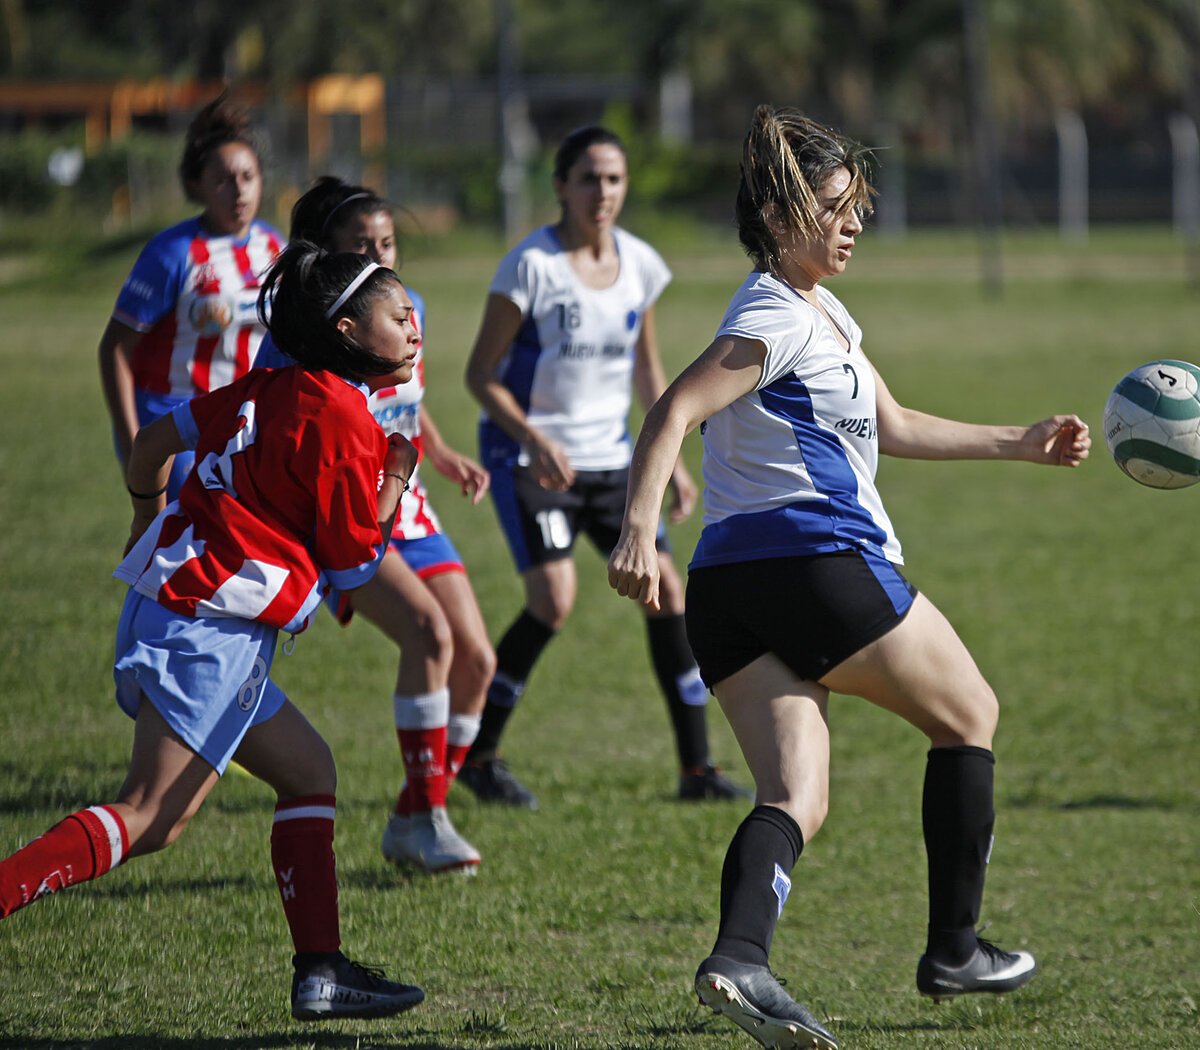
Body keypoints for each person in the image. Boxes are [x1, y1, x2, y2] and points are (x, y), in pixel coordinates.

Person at [607, 106, 1092, 1050]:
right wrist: (634, 529)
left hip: (732, 593)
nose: (853, 223)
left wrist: (1021, 442)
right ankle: (955, 948)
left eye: (856, 205)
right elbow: (670, 412)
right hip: (816, 563)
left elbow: (896, 422)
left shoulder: (823, 314)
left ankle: (740, 956)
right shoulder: (770, 315)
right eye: (834, 207)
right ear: (780, 219)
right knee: (970, 715)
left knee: (798, 795)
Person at [1, 242, 430, 1021]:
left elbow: (152, 444)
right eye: (400, 317)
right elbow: (356, 556)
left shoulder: (272, 384)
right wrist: (397, 469)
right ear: (346, 329)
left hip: (174, 607)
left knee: (307, 771)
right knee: (146, 814)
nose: (414, 330)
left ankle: (322, 971)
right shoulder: (343, 418)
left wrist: (145, 515)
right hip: (209, 631)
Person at [462, 125, 747, 809]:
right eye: (588, 178)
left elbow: (647, 369)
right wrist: (534, 437)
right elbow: (479, 375)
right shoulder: (530, 267)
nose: (603, 192)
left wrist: (671, 460)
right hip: (532, 460)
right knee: (553, 601)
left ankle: (697, 770)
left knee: (668, 593)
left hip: (612, 458)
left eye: (614, 179)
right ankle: (480, 756)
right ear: (560, 185)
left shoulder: (641, 264)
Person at [259, 177, 493, 874]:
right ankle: (429, 819)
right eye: (360, 245)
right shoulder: (304, 335)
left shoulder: (402, 308)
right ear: (326, 255)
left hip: (408, 502)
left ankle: (412, 818)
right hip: (348, 510)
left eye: (387, 244)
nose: (378, 256)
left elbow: (401, 401)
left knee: (477, 662)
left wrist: (443, 455)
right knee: (428, 633)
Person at [99, 91, 284, 501]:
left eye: (248, 178)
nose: (238, 191)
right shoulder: (172, 253)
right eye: (223, 180)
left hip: (242, 423)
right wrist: (134, 445)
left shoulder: (274, 246)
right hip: (173, 423)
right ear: (196, 186)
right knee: (191, 547)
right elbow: (114, 348)